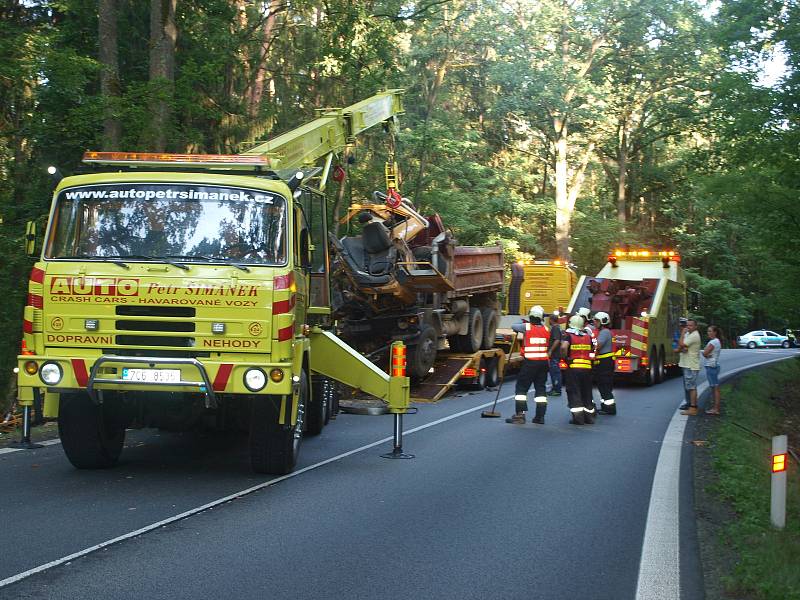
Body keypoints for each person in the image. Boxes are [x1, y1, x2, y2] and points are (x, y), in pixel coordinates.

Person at [506, 305, 551, 424]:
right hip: (543, 364)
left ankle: (520, 415)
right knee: (541, 390)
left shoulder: (526, 327)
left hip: (530, 363)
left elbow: (513, 326)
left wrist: (521, 320)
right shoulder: (546, 329)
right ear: (541, 317)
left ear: (530, 316)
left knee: (521, 388)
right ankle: (540, 417)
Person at [561, 314, 596, 425]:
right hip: (587, 369)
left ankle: (578, 418)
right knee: (586, 393)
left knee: (574, 392)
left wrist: (565, 357)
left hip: (574, 369)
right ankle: (589, 418)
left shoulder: (568, 336)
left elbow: (563, 347)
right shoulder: (587, 336)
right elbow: (592, 350)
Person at [593, 311, 616, 415]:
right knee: (603, 385)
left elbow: (598, 347)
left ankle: (610, 408)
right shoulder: (606, 332)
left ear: (602, 321)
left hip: (604, 363)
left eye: (597, 320)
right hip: (606, 362)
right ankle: (605, 407)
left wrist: (591, 352)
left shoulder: (604, 332)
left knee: (604, 385)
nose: (594, 322)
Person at [679, 318, 702, 415]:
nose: (688, 327)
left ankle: (693, 408)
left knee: (691, 387)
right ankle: (691, 405)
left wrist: (682, 333)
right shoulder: (690, 334)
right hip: (687, 363)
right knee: (689, 386)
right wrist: (683, 348)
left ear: (696, 326)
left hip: (691, 365)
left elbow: (681, 344)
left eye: (690, 325)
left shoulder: (694, 335)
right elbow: (683, 348)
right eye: (687, 325)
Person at [703, 325, 723, 415]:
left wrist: (706, 354)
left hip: (711, 366)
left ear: (715, 332)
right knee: (714, 387)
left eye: (710, 331)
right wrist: (707, 354)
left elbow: (705, 353)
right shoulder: (717, 341)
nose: (709, 333)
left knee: (715, 388)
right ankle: (715, 407)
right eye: (708, 331)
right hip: (714, 364)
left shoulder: (713, 342)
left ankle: (716, 408)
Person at [547, 312, 563, 397]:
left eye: (549, 319)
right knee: (554, 372)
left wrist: (550, 351)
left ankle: (557, 390)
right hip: (556, 354)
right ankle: (554, 388)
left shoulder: (555, 328)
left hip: (555, 355)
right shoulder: (557, 328)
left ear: (551, 320)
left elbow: (557, 340)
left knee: (555, 372)